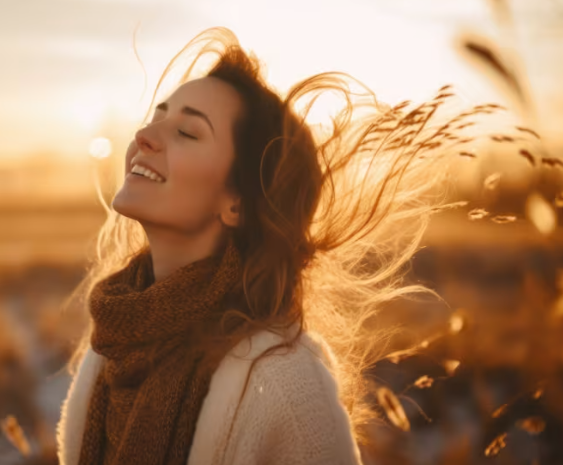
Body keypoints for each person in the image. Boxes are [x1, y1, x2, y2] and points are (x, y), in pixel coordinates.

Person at [56, 26, 464, 465]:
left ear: (237, 204)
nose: (145, 136)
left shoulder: (285, 381)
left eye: (188, 133)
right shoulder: (113, 345)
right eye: (157, 118)